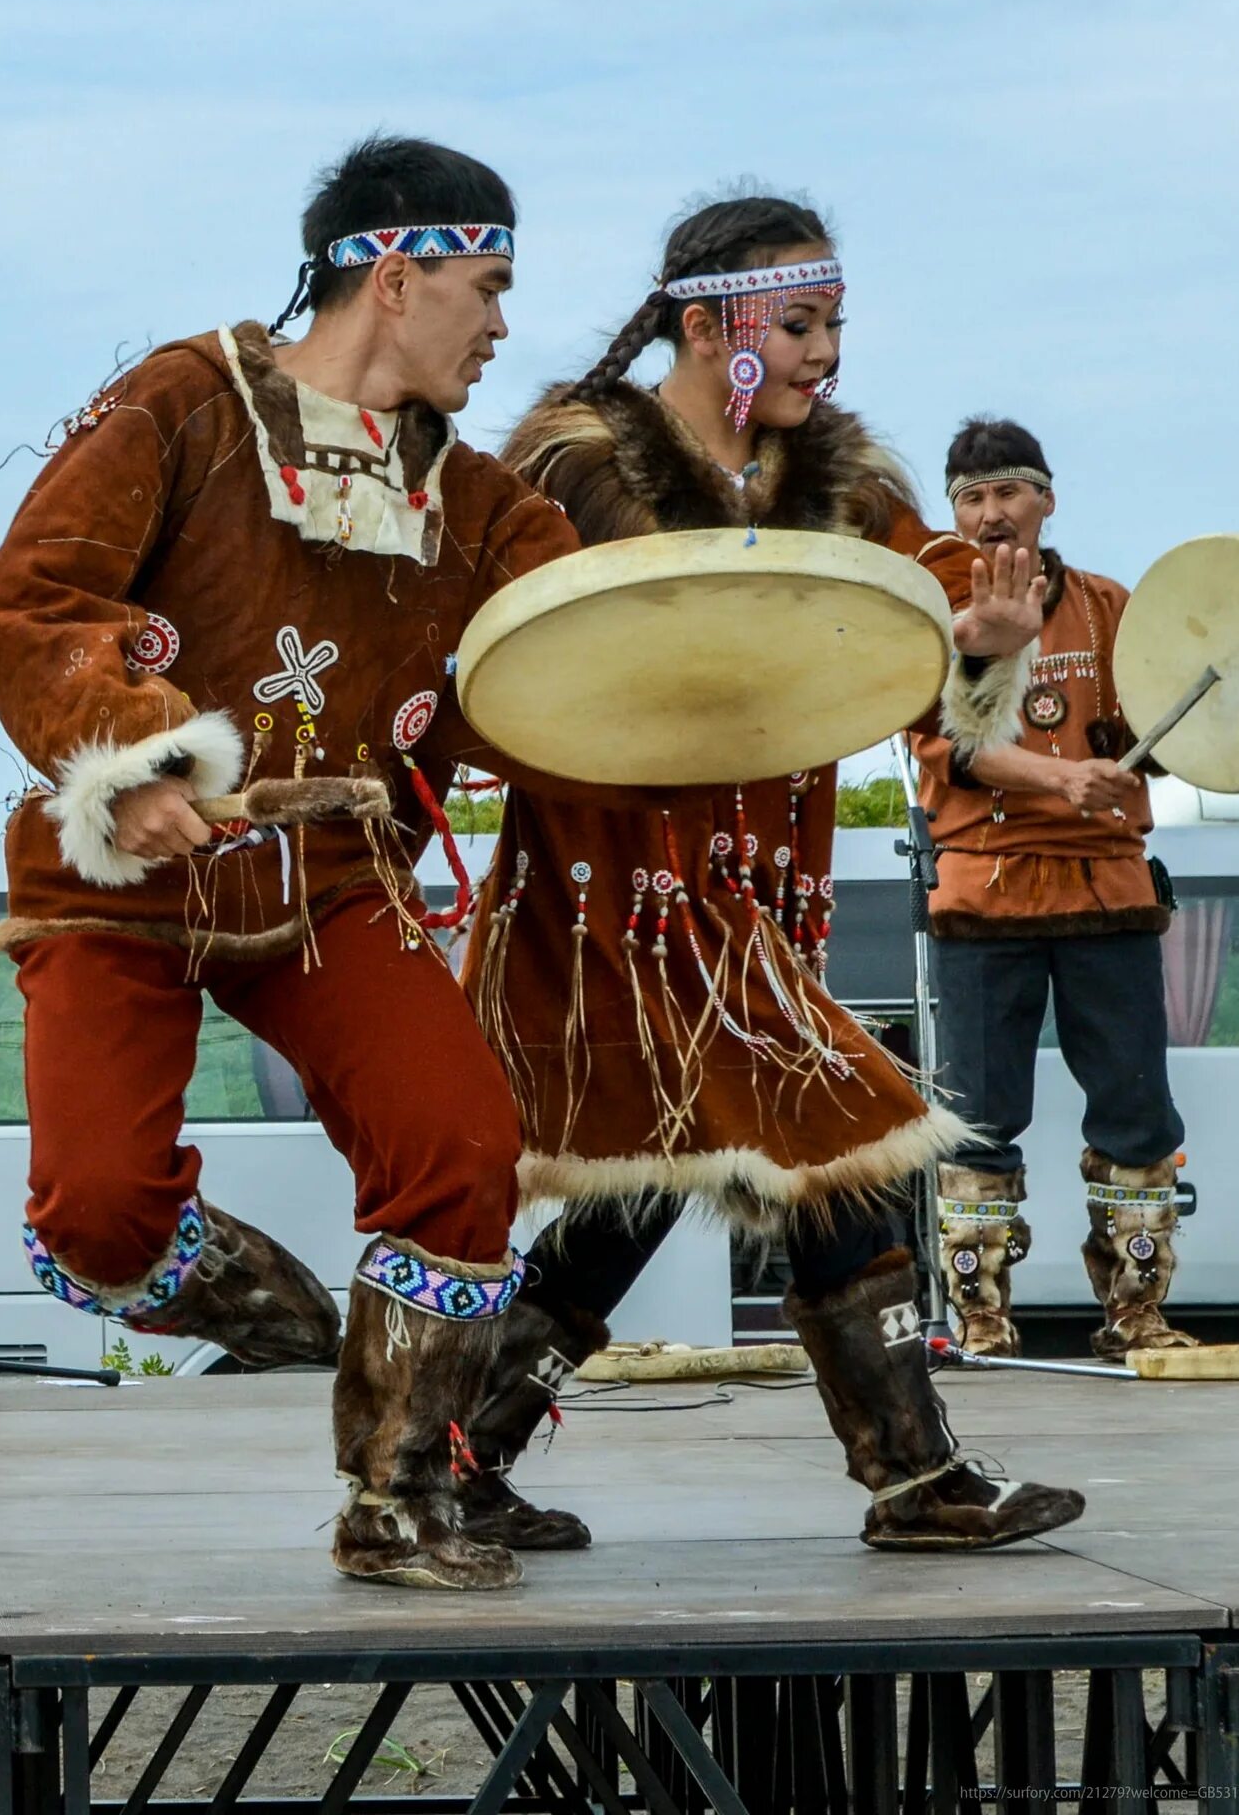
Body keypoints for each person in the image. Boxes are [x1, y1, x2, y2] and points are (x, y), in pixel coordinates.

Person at [0, 135, 577, 1592]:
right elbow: (39, 595)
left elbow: (590, 635)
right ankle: (291, 1317)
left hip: (328, 880)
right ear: (394, 272)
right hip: (122, 879)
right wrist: (132, 759)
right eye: (486, 287)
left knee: (460, 1147)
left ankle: (399, 1488)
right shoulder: (184, 405)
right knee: (99, 1221)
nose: (502, 326)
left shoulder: (481, 503)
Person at [455, 197, 1084, 1556]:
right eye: (801, 325)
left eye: (834, 326)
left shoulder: (853, 490)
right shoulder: (570, 470)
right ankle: (917, 1476)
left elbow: (933, 663)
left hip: (756, 904)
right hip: (608, 889)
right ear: (707, 327)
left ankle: (460, 1453)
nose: (827, 356)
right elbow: (497, 654)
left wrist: (977, 640)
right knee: (831, 1135)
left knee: (651, 1175)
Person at [908, 421, 1192, 1360]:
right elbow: (952, 746)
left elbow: (1189, 715)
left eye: (1007, 492)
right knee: (976, 1122)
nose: (989, 515)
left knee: (1136, 1110)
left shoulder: (1115, 610)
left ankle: (1138, 1313)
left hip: (1108, 893)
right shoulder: (930, 617)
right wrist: (1063, 779)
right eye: (970, 497)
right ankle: (981, 1320)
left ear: (1047, 498)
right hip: (982, 899)